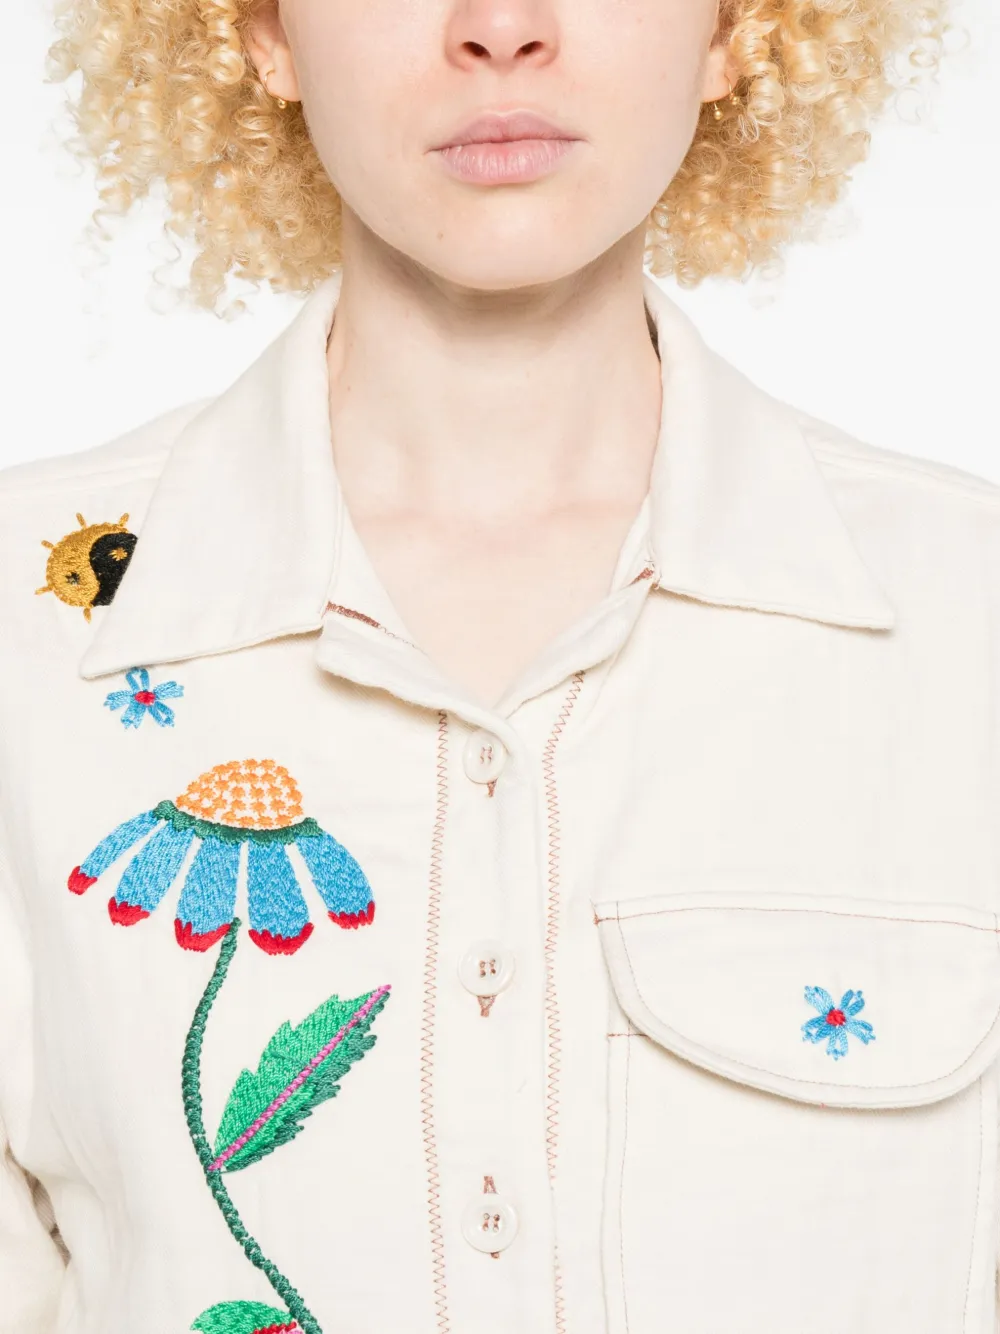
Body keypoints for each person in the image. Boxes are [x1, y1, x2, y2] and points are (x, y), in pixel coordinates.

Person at [0, 0, 987, 1331]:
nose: (502, 27)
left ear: (737, 28)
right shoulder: (24, 640)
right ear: (260, 30)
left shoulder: (970, 625)